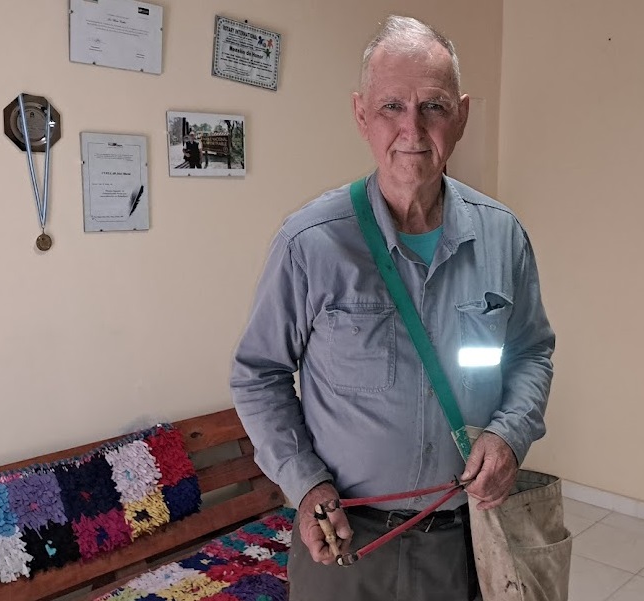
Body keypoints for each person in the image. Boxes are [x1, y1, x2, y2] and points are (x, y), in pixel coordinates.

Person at [230, 15, 555, 601]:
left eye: (433, 106)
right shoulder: (309, 243)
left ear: (461, 116)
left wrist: (509, 435)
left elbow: (531, 352)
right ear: (361, 115)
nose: (412, 128)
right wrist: (305, 485)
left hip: (465, 540)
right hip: (346, 541)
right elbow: (259, 375)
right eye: (391, 107)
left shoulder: (503, 236)